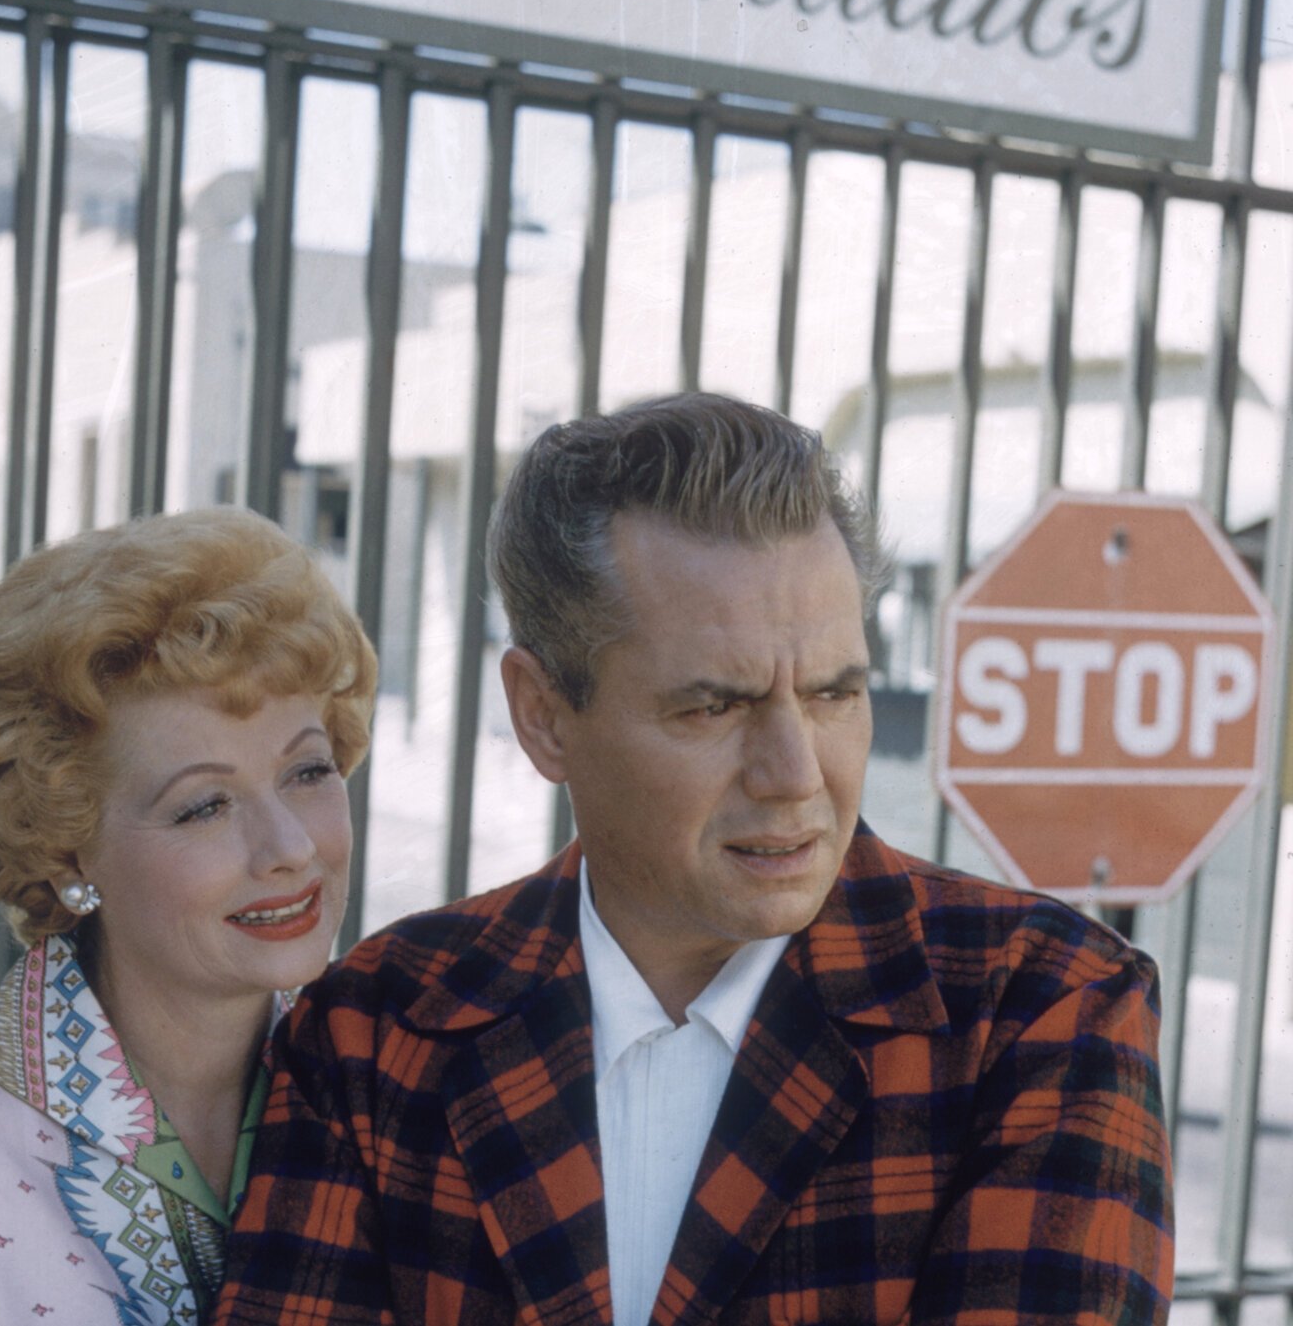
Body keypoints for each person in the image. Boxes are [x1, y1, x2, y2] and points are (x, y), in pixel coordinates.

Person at [217, 393, 1174, 1326]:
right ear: (543, 715)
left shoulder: (1046, 1008)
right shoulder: (377, 1030)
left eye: (836, 694)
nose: (797, 775)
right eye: (714, 707)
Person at [0, 507, 376, 1326]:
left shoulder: (392, 1100)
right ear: (67, 849)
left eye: (309, 769)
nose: (289, 846)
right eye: (203, 805)